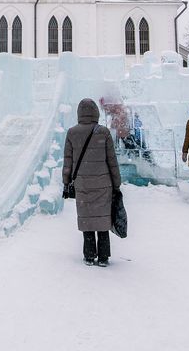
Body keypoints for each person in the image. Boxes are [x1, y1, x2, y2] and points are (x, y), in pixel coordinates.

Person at [63, 98, 121, 267]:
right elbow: (112, 161)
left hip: (83, 184)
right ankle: (103, 256)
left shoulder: (72, 133)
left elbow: (68, 161)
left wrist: (66, 181)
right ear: (95, 112)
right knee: (103, 219)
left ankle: (89, 255)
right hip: (103, 184)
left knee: (87, 218)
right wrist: (116, 183)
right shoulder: (103, 132)